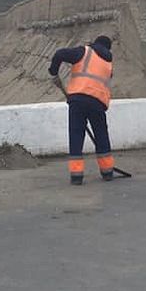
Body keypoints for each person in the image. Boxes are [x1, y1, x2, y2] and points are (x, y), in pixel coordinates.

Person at [48, 36, 115, 185]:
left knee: (76, 135)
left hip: (78, 100)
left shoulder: (84, 52)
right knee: (101, 135)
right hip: (98, 102)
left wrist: (54, 72)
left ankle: (76, 176)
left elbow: (59, 54)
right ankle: (107, 172)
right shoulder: (108, 64)